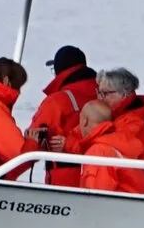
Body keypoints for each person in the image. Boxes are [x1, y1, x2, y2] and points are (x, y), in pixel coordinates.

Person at [72, 66, 144, 195]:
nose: (101, 98)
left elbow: (110, 144)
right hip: (130, 186)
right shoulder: (116, 116)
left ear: (124, 94)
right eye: (99, 93)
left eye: (106, 93)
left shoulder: (136, 122)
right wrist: (66, 142)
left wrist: (71, 143)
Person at [26, 45, 96, 187]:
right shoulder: (106, 95)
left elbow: (32, 141)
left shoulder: (57, 101)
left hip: (65, 180)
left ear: (59, 70)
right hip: (99, 176)